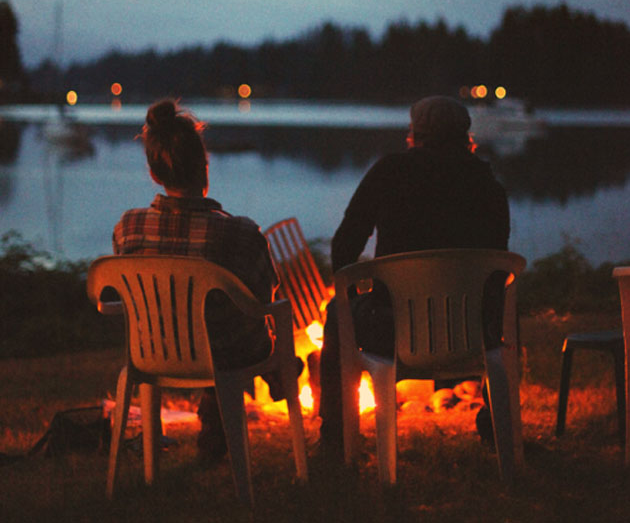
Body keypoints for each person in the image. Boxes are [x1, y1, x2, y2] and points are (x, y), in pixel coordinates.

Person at [319, 95, 510, 451]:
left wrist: (352, 298)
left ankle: (335, 437)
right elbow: (498, 266)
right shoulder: (487, 184)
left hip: (391, 330)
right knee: (498, 308)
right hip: (473, 331)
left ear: (415, 132)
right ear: (465, 134)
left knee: (336, 314)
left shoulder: (390, 172)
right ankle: (494, 424)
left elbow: (345, 245)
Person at [112, 99, 280, 464]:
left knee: (212, 328)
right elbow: (265, 296)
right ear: (205, 165)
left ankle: (214, 434)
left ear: (154, 173)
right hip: (226, 354)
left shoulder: (129, 228)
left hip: (152, 354)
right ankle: (279, 377)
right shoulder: (240, 233)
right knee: (237, 329)